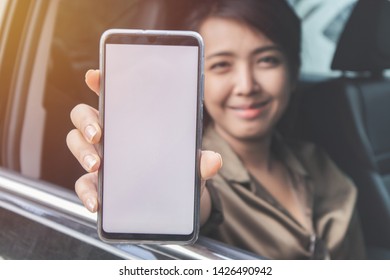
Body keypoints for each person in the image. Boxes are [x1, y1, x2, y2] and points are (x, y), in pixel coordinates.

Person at [66, 0, 366, 259]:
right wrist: (147, 184)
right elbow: (202, 203)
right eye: (222, 65)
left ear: (293, 70)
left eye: (267, 60)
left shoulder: (319, 163)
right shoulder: (189, 170)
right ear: (197, 80)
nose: (247, 86)